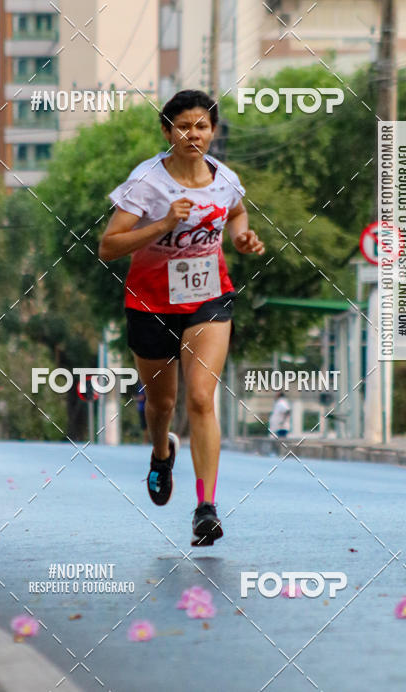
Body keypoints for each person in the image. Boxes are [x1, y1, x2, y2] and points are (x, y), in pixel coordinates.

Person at [99, 89, 264, 545]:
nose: (193, 134)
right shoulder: (148, 182)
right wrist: (162, 226)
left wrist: (243, 237)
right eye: (183, 126)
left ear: (213, 131)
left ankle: (206, 507)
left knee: (200, 399)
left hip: (208, 299)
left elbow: (237, 212)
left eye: (202, 126)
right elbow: (108, 246)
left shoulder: (224, 178)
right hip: (151, 304)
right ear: (167, 131)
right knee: (162, 405)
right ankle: (160, 452)